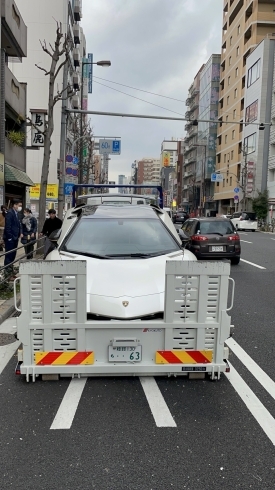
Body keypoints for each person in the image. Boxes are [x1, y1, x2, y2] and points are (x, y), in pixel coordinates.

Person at [3, 200, 22, 278]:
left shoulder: (16, 213)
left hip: (15, 238)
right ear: (14, 205)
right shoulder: (10, 213)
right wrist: (10, 237)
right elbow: (8, 227)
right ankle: (7, 274)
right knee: (9, 255)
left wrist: (20, 233)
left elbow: (18, 225)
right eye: (19, 205)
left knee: (13, 255)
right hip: (10, 238)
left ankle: (10, 272)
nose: (20, 207)